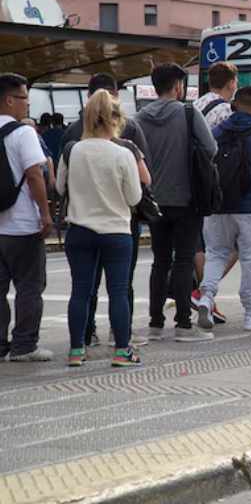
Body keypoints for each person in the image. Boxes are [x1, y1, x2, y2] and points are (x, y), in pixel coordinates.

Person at [63, 72, 152, 345]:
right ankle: (122, 349)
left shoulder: (72, 147)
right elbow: (135, 196)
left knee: (80, 292)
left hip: (79, 229)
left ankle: (78, 349)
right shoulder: (124, 151)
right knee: (119, 291)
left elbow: (58, 187)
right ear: (116, 117)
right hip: (116, 230)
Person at [136, 63, 216, 341]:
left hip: (154, 201)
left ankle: (155, 322)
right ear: (178, 86)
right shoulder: (188, 112)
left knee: (160, 261)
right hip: (186, 198)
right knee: (183, 260)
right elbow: (211, 148)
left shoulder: (140, 117)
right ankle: (183, 323)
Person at [195, 86, 251, 334]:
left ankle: (206, 297)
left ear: (233, 106)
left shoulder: (215, 133)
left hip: (218, 207)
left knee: (216, 254)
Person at [0, 74, 54, 362]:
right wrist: (45, 214)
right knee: (30, 287)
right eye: (23, 98)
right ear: (9, 100)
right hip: (22, 226)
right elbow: (35, 175)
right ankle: (23, 345)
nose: (28, 104)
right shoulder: (23, 133)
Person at [191, 61, 238, 325]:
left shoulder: (196, 105)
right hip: (216, 181)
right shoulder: (226, 111)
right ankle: (204, 292)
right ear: (231, 82)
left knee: (201, 241)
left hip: (193, 179)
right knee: (232, 244)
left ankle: (206, 297)